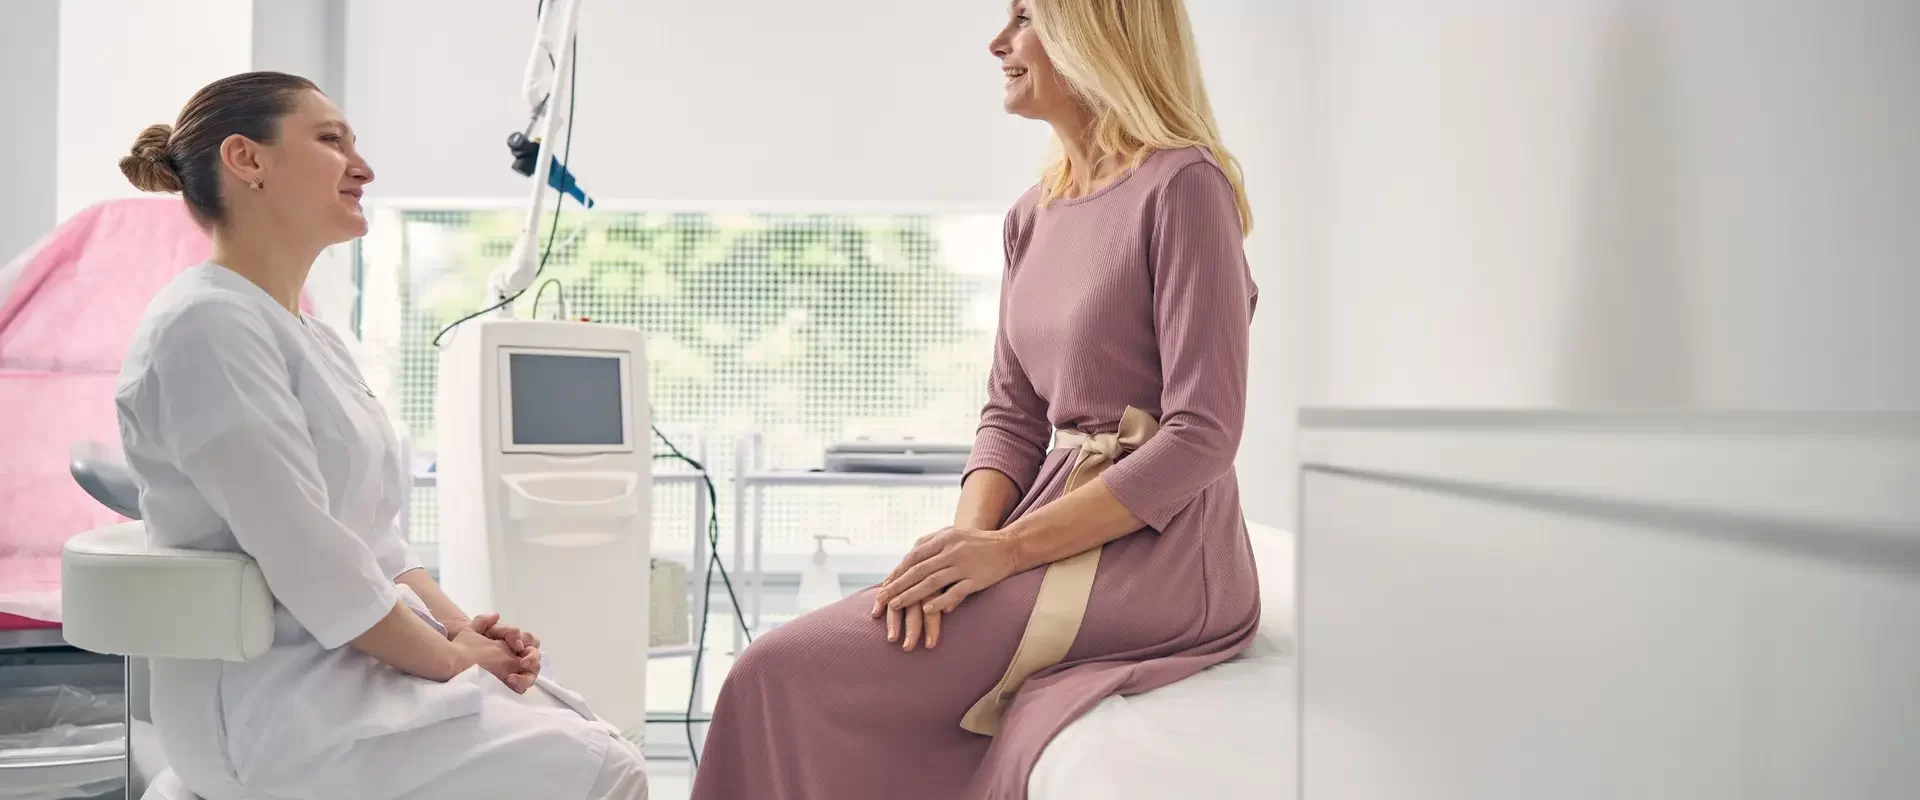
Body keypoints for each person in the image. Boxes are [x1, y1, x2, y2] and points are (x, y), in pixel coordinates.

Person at [690, 0, 1261, 796]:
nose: (998, 42)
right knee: (786, 665)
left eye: (1025, 16)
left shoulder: (1184, 186)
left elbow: (1203, 434)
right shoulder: (1032, 214)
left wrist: (1009, 552)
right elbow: (1012, 417)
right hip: (1049, 521)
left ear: (1097, 31)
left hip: (1158, 555)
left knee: (774, 671)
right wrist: (965, 548)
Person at [114, 72, 647, 800]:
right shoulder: (205, 326)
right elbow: (310, 556)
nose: (362, 168)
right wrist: (452, 659)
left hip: (347, 666)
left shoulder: (306, 334)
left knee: (594, 740)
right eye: (331, 141)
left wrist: (462, 630)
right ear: (247, 159)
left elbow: (375, 539)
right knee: (605, 770)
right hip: (276, 704)